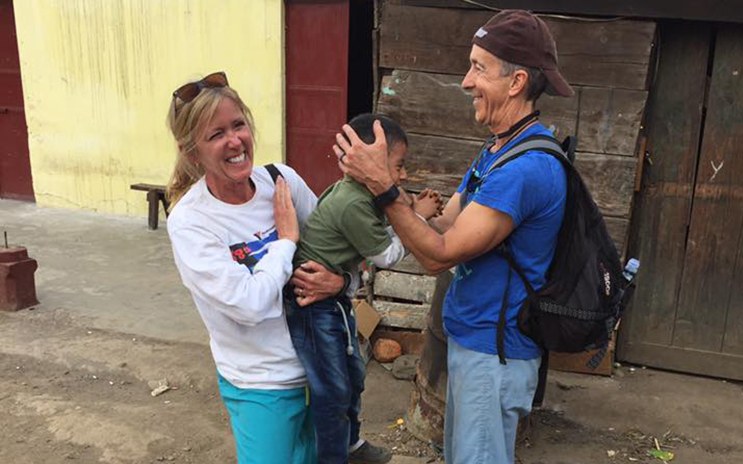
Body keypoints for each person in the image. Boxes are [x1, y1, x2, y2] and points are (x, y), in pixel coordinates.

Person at [334, 10, 574, 464]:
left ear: (517, 80)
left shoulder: (525, 169)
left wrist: (382, 188)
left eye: (479, 68)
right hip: (471, 342)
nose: (466, 81)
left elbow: (437, 255)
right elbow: (443, 226)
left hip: (495, 354)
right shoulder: (498, 151)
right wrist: (381, 202)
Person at [164, 71, 346, 464]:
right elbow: (250, 305)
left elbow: (334, 249)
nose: (234, 141)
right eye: (216, 135)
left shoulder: (282, 181)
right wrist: (285, 241)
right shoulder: (191, 222)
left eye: (238, 125)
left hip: (321, 369)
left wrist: (340, 280)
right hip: (261, 385)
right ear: (192, 153)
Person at [286, 113, 443, 464]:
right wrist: (417, 218)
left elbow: (376, 241)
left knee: (353, 376)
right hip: (313, 307)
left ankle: (351, 444)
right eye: (398, 165)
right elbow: (385, 254)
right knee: (332, 391)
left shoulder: (361, 196)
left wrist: (411, 210)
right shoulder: (352, 203)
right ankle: (333, 457)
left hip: (334, 300)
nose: (402, 175)